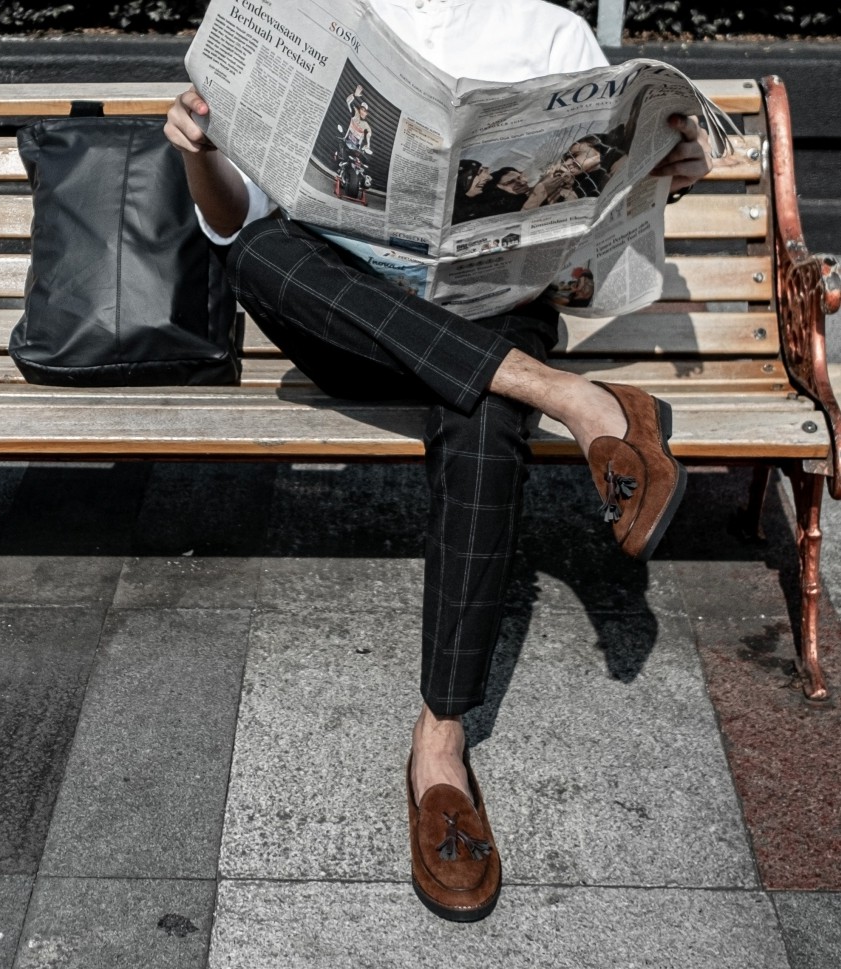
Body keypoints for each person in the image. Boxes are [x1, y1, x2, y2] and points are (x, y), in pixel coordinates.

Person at [165, 0, 712, 923]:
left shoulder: (549, 37)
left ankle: (439, 745)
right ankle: (575, 402)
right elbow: (233, 225)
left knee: (481, 417)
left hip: (491, 306)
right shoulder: (318, 16)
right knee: (261, 256)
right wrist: (198, 153)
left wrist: (663, 176)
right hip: (346, 313)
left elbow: (584, 263)